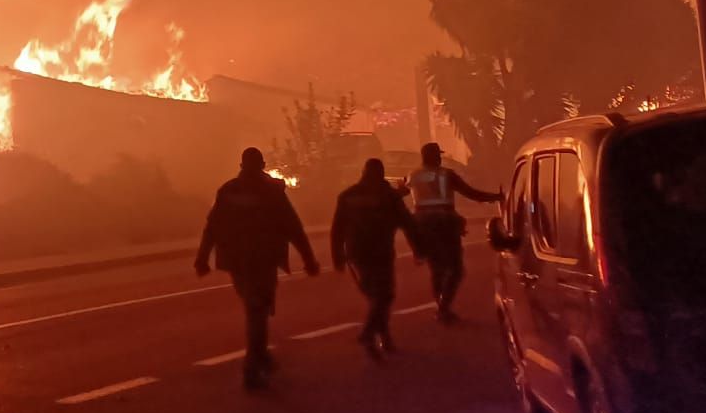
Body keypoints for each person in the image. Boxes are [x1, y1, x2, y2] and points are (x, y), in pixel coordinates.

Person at [195, 147, 319, 389]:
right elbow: (293, 226)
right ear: (262, 165)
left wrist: (202, 258)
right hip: (263, 259)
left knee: (254, 309)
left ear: (242, 165)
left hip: (237, 262)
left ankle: (261, 357)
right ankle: (252, 366)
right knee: (258, 311)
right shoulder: (270, 192)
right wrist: (309, 259)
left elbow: (212, 227)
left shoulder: (228, 190)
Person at [331, 157, 424, 358]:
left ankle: (384, 336)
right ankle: (369, 333)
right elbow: (408, 224)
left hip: (357, 253)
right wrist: (418, 249)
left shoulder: (348, 196)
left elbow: (337, 229)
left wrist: (337, 256)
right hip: (381, 252)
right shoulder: (389, 196)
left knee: (376, 295)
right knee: (383, 295)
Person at [406, 141, 500, 323]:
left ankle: (441, 307)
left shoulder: (413, 175)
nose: (441, 158)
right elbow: (471, 193)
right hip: (445, 224)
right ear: (434, 156)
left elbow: (398, 194)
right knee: (456, 269)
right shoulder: (446, 175)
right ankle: (443, 307)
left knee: (436, 269)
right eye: (438, 155)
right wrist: (495, 197)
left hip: (422, 225)